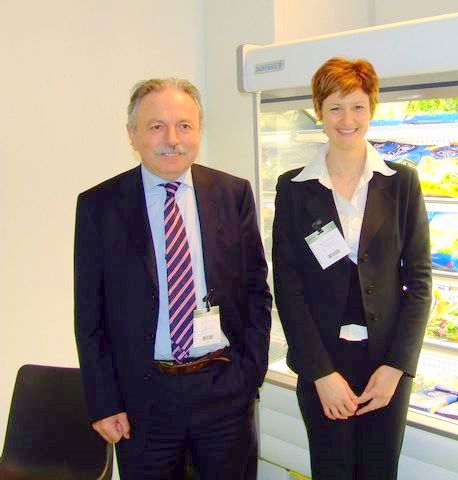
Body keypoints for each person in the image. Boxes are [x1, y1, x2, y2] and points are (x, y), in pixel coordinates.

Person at [74, 77, 272, 479]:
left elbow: (256, 290)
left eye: (184, 126)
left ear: (199, 131)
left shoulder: (232, 194)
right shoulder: (100, 206)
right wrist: (104, 402)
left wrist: (249, 373)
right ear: (132, 134)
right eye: (156, 126)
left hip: (223, 388)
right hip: (144, 398)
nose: (172, 140)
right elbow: (89, 315)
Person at [272, 57, 432, 479]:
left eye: (358, 106)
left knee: (380, 471)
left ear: (372, 108)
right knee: (332, 471)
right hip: (323, 362)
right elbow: (288, 286)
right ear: (319, 111)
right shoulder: (293, 187)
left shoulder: (401, 182)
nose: (347, 120)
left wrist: (396, 367)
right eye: (335, 108)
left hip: (385, 364)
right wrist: (320, 373)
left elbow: (419, 282)